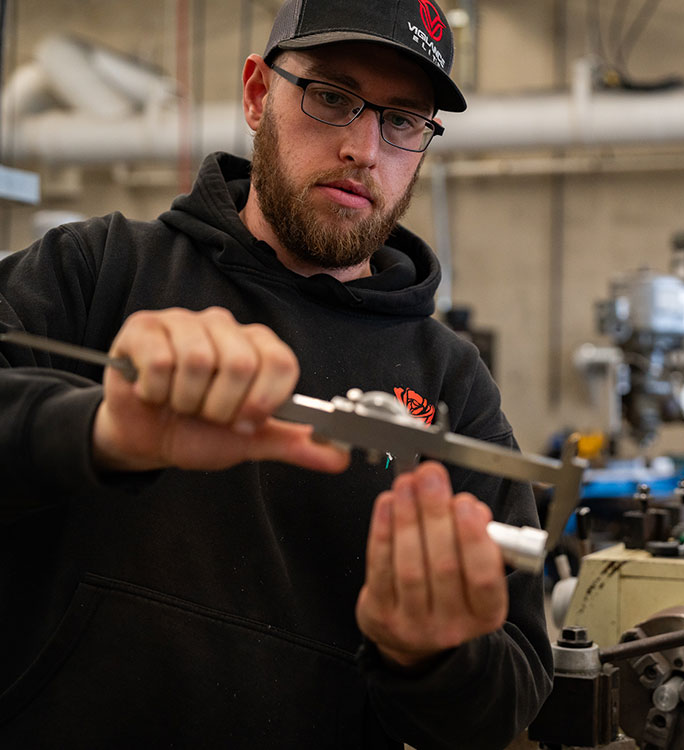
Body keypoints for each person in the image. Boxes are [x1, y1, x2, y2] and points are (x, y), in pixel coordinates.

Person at [0, 0, 553, 747]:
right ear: (259, 95)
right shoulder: (97, 270)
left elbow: (510, 695)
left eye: (403, 121)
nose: (364, 147)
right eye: (332, 98)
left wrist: (428, 655)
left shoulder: (450, 379)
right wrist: (101, 430)